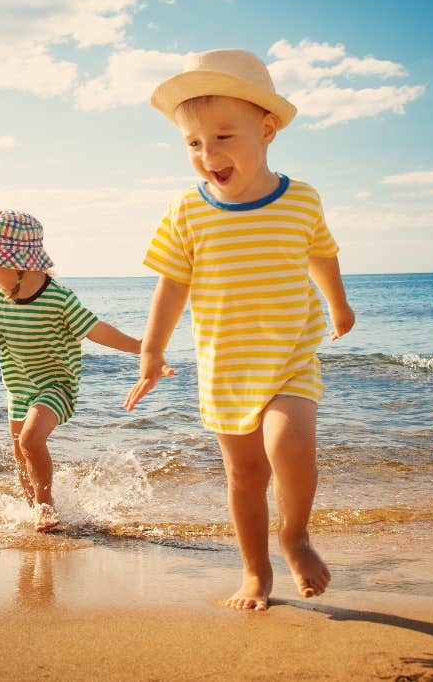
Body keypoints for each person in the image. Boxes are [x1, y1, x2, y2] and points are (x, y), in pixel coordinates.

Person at [125, 49, 355, 610]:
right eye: (194, 144)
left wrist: (339, 306)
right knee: (245, 476)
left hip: (290, 358)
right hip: (225, 367)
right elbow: (172, 286)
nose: (209, 154)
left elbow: (322, 256)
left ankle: (294, 535)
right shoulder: (187, 212)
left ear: (267, 129)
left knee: (290, 446)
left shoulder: (300, 199)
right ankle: (255, 573)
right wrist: (152, 349)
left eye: (224, 137)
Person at [0, 209, 144, 532]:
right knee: (21, 454)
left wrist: (138, 346)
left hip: (56, 385)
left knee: (30, 439)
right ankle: (34, 509)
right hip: (19, 388)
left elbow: (96, 330)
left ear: (17, 264)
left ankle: (46, 507)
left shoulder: (59, 300)